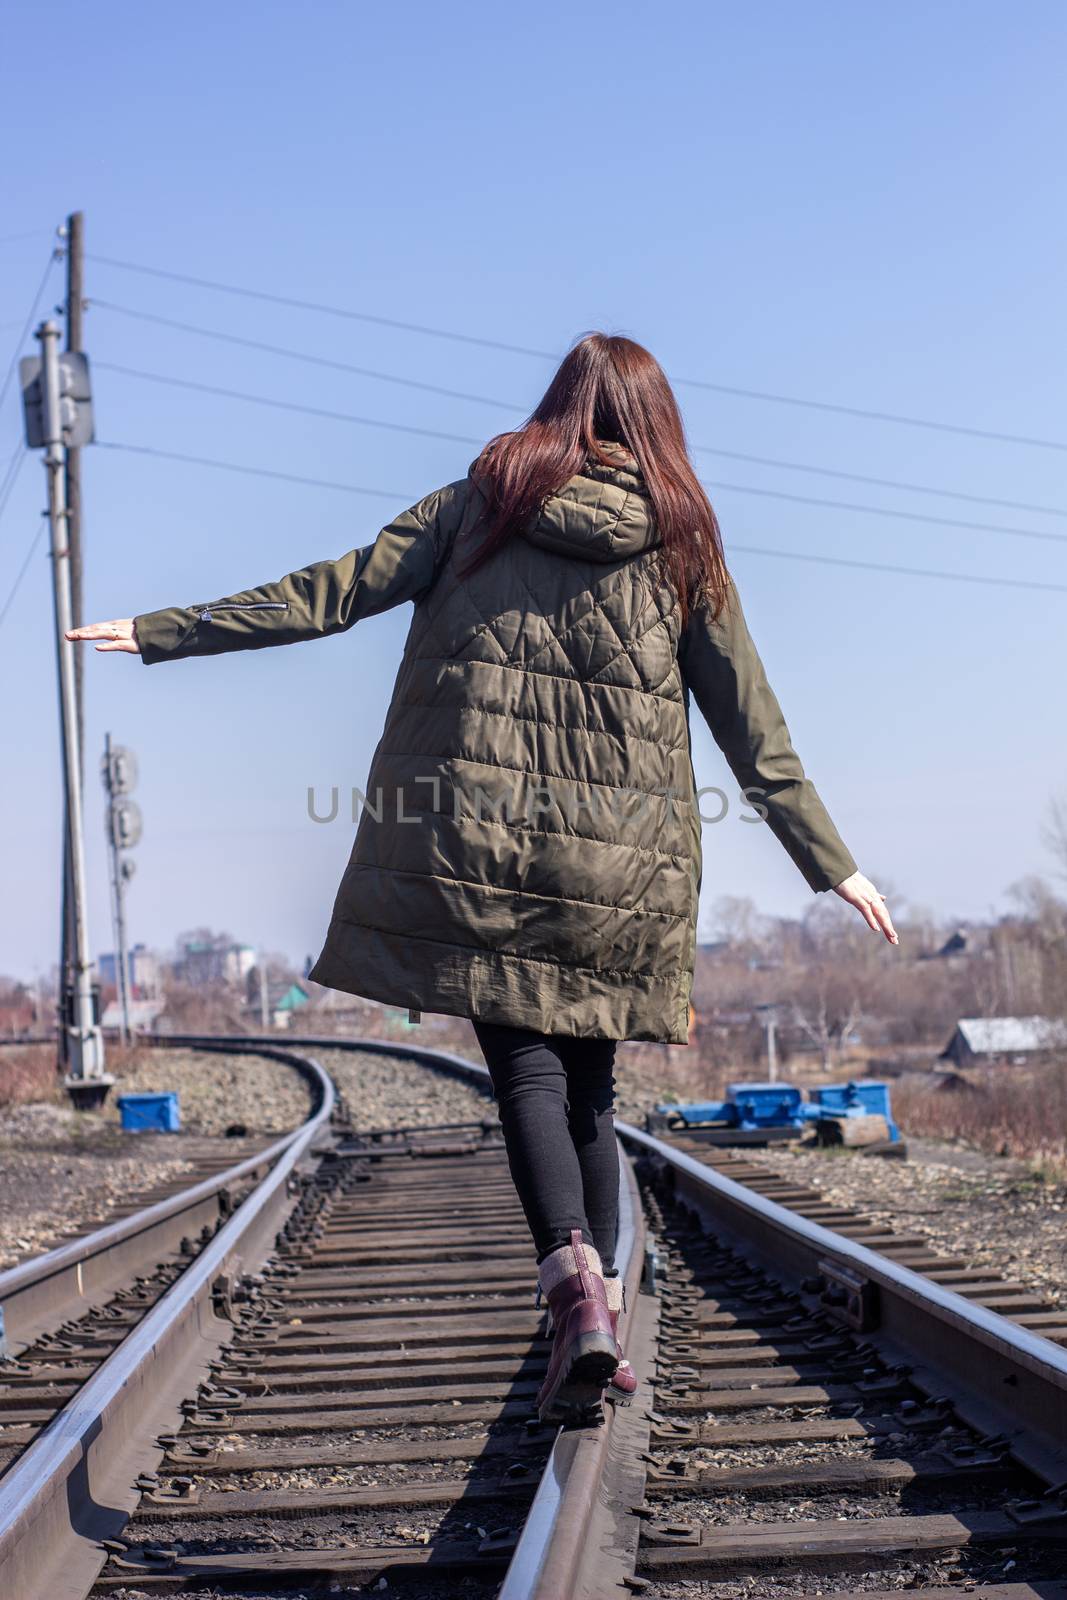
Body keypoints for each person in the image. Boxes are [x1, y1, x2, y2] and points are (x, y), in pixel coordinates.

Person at [69, 333, 897, 1422]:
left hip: (481, 853)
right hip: (624, 863)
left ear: (557, 406)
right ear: (655, 424)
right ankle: (590, 1298)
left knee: (527, 1074)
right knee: (588, 1084)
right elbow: (752, 722)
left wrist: (168, 631)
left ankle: (572, 1288)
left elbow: (331, 593)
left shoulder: (479, 502)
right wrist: (830, 861)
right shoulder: (683, 543)